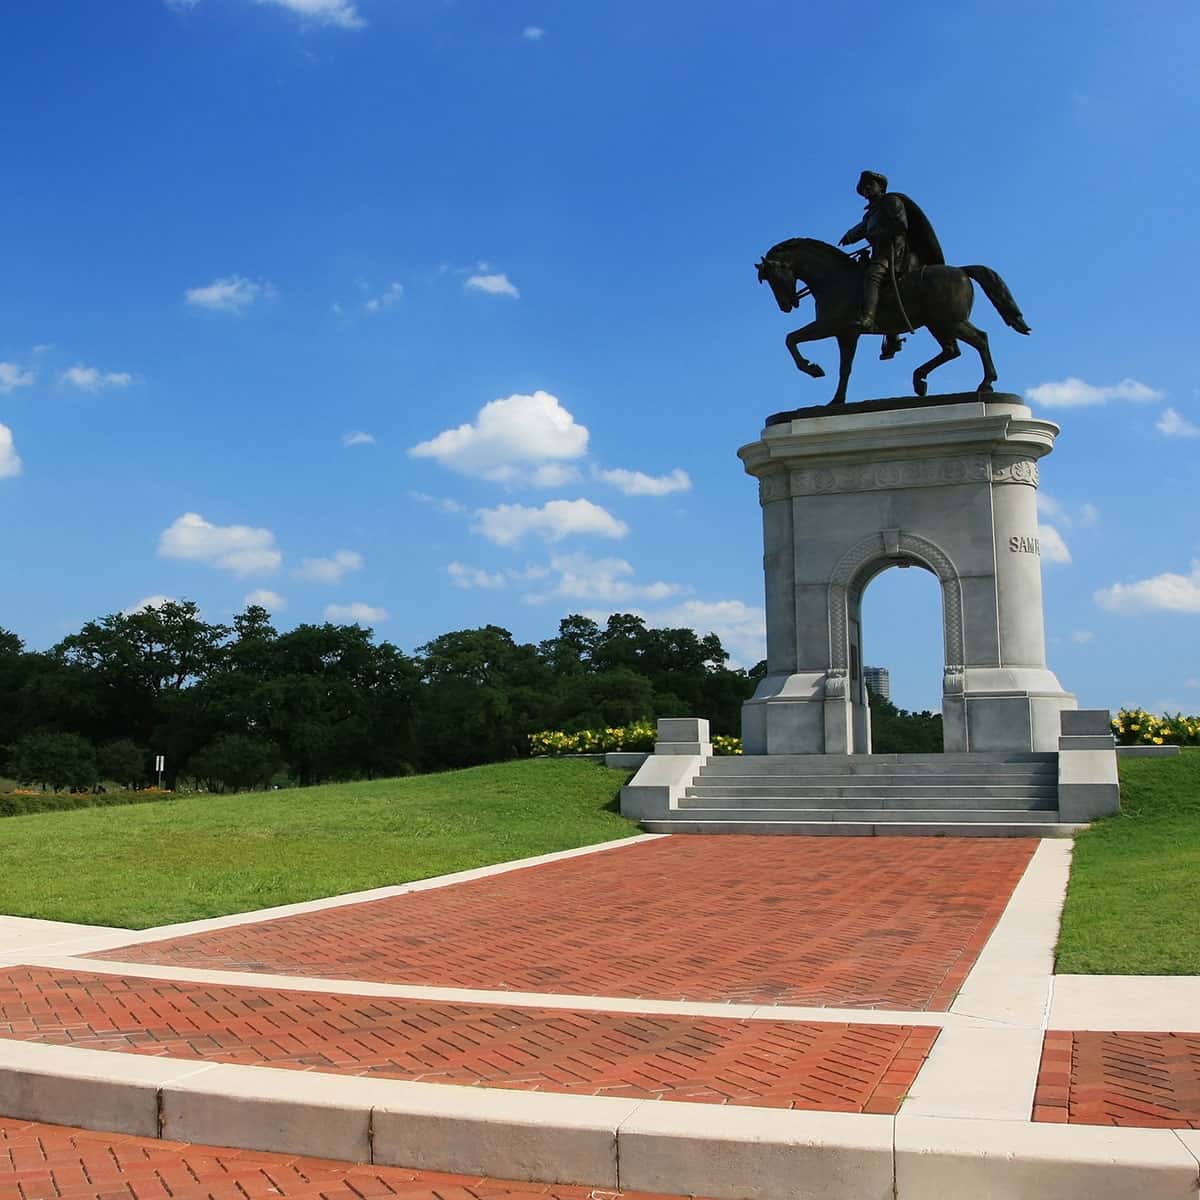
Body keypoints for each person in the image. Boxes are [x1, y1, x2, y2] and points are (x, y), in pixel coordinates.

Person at [839, 170, 944, 360]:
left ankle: (868, 319)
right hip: (880, 253)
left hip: (895, 253)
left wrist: (875, 233)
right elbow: (861, 229)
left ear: (880, 186)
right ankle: (891, 335)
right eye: (864, 188)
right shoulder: (871, 212)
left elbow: (900, 225)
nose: (867, 189)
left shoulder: (891, 201)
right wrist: (849, 236)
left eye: (870, 185)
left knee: (873, 274)